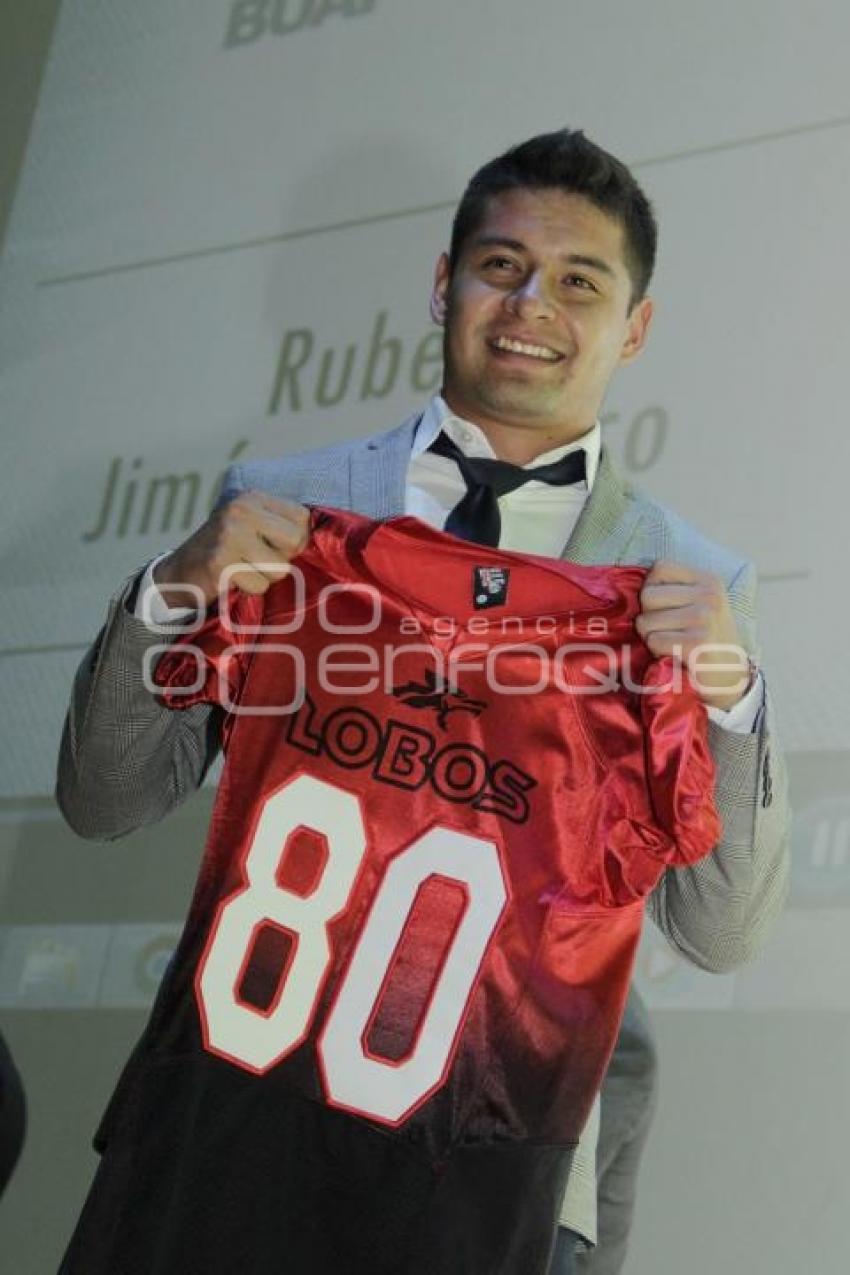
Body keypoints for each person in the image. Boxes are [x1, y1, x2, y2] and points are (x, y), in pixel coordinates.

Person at [56, 129, 790, 1274]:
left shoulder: (684, 585)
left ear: (633, 328)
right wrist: (166, 596)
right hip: (225, 1125)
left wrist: (733, 699)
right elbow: (102, 801)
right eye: (501, 266)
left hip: (493, 1176)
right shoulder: (282, 509)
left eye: (579, 281)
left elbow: (721, 931)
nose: (531, 303)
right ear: (445, 284)